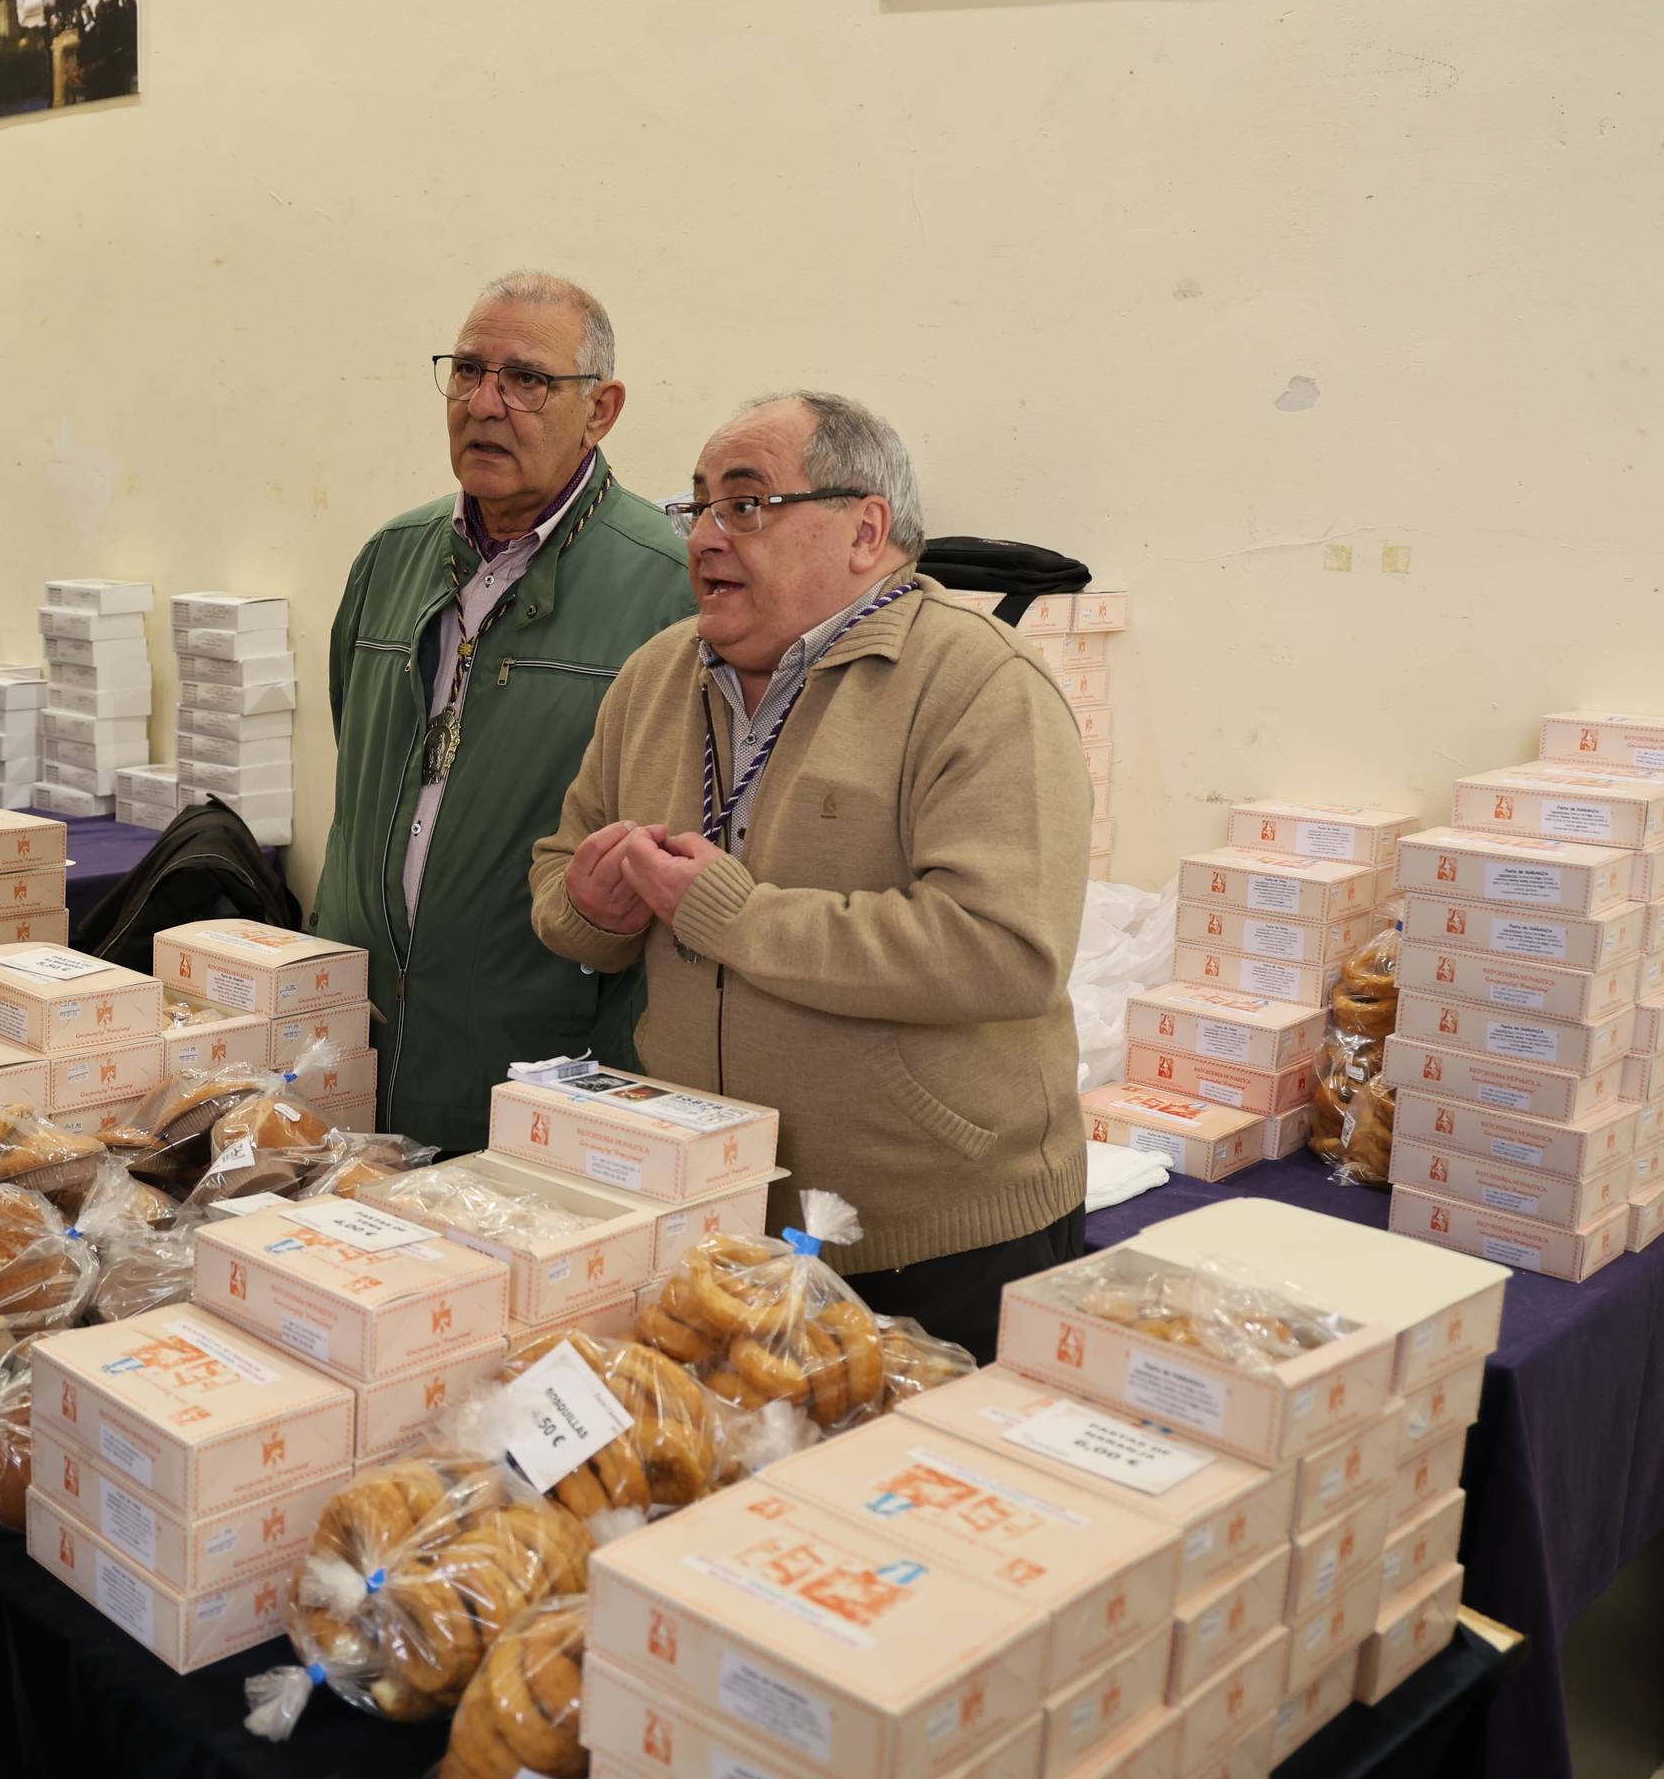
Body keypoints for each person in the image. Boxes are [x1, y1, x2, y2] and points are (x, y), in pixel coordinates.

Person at [530, 391, 1091, 1360]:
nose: (704, 537)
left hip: (933, 1240)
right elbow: (559, 876)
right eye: (698, 505)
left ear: (866, 530)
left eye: (746, 505)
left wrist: (732, 916)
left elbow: (1004, 952)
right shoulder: (656, 675)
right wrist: (589, 905)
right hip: (709, 1215)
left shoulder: (980, 684)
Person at [315, 273, 695, 1156]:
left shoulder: (667, 590)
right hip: (354, 1041)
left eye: (526, 379)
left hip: (540, 1065)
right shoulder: (391, 558)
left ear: (601, 410)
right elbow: (356, 759)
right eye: (468, 371)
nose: (485, 404)